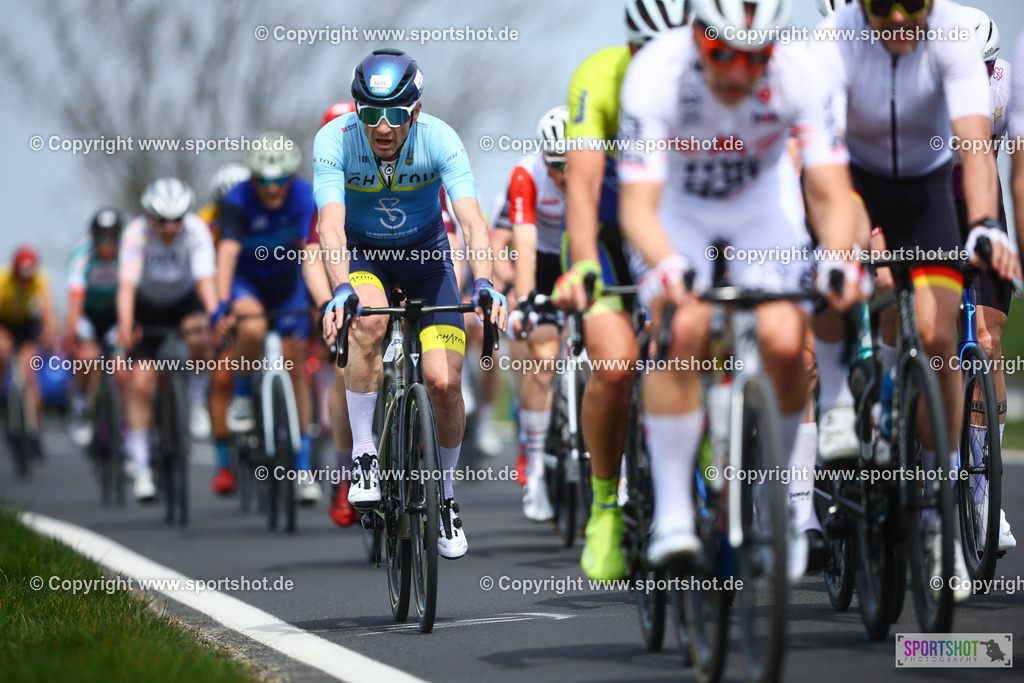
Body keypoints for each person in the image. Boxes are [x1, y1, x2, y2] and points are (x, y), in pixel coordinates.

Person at [618, 0, 862, 573]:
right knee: (685, 327)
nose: (736, 72)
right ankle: (675, 513)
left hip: (761, 207)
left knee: (784, 338)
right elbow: (637, 208)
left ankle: (779, 496)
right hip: (679, 211)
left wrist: (835, 259)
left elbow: (830, 191)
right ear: (697, 38)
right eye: (721, 54)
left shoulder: (802, 71)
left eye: (754, 59)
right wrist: (667, 267)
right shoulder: (655, 72)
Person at [811, 0, 1019, 600]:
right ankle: (837, 413)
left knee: (939, 336)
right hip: (855, 182)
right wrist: (841, 243)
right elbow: (820, 161)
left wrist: (983, 222)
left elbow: (976, 146)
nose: (900, 18)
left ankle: (944, 517)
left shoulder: (954, 37)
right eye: (883, 7)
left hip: (930, 190)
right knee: (836, 269)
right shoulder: (835, 39)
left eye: (915, 6)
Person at [314, 48, 508, 559]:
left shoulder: (440, 139)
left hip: (428, 260)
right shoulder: (334, 141)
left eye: (395, 114)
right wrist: (341, 289)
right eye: (369, 113)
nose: (381, 127)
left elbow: (471, 222)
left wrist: (484, 282)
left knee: (445, 383)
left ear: (415, 111)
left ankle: (444, 498)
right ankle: (363, 455)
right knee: (368, 328)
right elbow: (330, 226)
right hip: (365, 258)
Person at [552, 0, 689, 582]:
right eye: (645, 52)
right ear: (629, 46)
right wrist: (583, 264)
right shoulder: (599, 75)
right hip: (606, 236)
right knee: (614, 367)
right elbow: (581, 186)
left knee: (696, 348)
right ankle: (606, 506)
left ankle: (701, 483)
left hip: (676, 230)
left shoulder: (707, 76)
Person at [210, 132, 322, 504]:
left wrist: (321, 299)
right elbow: (226, 253)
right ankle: (242, 394)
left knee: (297, 372)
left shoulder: (305, 195)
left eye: (280, 181)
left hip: (287, 284)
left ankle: (303, 468)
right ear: (251, 177)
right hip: (247, 284)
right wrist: (222, 303)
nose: (273, 190)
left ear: (291, 177)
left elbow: (310, 252)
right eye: (264, 181)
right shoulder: (238, 198)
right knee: (253, 325)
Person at [952, 5, 1015, 553]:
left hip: (981, 222)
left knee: (987, 342)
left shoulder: (1005, 85)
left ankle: (981, 493)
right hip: (925, 215)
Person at [117, 178, 217, 501]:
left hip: (183, 301)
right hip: (146, 307)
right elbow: (127, 286)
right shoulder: (134, 235)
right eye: (163, 220)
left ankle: (197, 398)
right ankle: (142, 468)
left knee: (200, 332)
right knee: (142, 383)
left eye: (177, 219)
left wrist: (215, 315)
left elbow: (205, 280)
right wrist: (127, 323)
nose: (171, 227)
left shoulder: (197, 230)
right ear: (149, 217)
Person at [507, 106, 569, 522]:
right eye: (557, 163)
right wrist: (527, 301)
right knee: (544, 357)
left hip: (587, 254)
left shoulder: (599, 167)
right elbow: (524, 246)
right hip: (546, 261)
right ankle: (536, 475)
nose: (565, 173)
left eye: (572, 162)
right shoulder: (526, 174)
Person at [306, 100, 357, 525]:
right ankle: (344, 473)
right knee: (345, 369)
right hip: (345, 282)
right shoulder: (325, 185)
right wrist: (328, 304)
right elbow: (311, 256)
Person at [65, 209, 123, 446]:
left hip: (115, 316)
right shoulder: (82, 256)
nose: (107, 243)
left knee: (123, 366)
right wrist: (74, 333)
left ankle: (122, 424)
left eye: (113, 236)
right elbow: (75, 302)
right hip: (88, 315)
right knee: (87, 357)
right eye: (102, 236)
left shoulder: (128, 255)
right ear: (93, 237)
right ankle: (80, 406)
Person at [0, 245, 57, 458]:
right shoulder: (3, 279)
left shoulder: (40, 279)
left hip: (26, 324)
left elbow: (46, 310)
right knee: (2, 355)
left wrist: (49, 333)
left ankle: (34, 429)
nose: (25, 281)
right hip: (4, 321)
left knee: (30, 372)